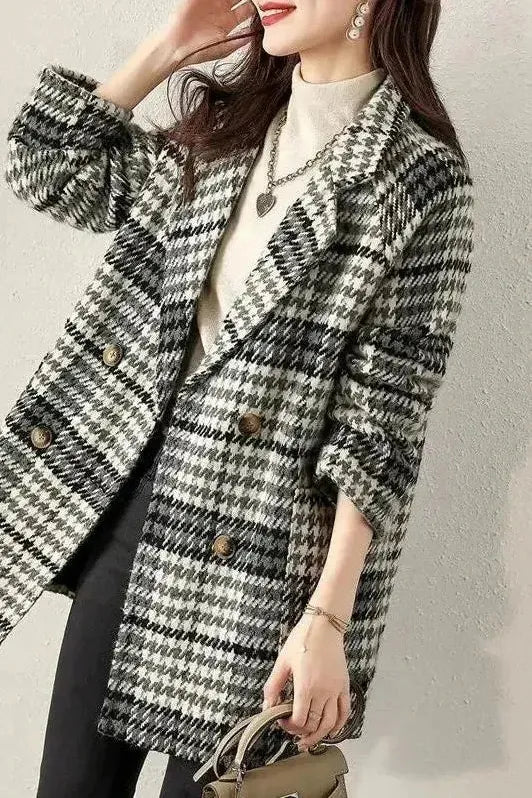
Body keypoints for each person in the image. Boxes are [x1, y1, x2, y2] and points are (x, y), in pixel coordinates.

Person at [1, 1, 475, 796]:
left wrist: (327, 619)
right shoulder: (223, 131)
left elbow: (382, 429)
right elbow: (47, 168)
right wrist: (168, 48)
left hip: (264, 556)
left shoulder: (419, 181)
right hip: (136, 515)